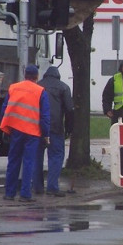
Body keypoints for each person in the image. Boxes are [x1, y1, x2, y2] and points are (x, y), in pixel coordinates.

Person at [0, 65, 50, 202]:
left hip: (16, 130)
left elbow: (5, 108)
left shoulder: (13, 88)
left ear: (25, 75)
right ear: (37, 77)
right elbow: (45, 116)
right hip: (32, 132)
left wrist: (4, 127)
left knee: (13, 161)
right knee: (29, 162)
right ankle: (25, 194)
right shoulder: (40, 91)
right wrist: (46, 134)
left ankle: (9, 193)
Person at [32, 66, 74, 197]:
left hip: (37, 127)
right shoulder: (64, 87)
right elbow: (69, 110)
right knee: (56, 156)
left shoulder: (37, 86)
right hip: (56, 127)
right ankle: (52, 187)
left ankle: (37, 187)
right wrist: (69, 128)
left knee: (36, 157)